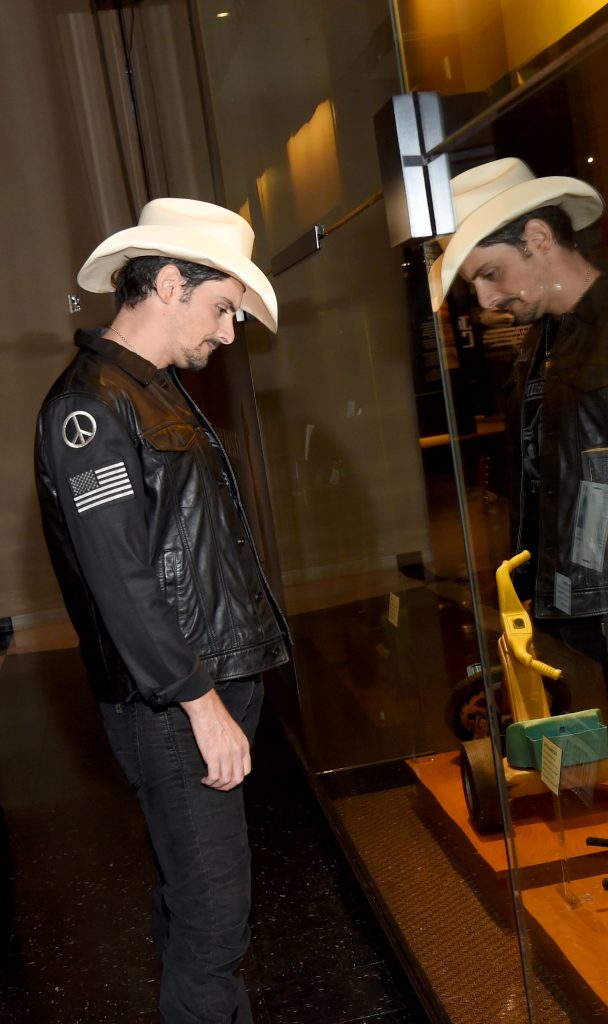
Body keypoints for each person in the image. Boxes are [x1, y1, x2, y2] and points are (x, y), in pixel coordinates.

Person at [34, 198, 290, 1023]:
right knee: (216, 923)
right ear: (171, 282)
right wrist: (198, 702)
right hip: (175, 703)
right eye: (223, 308)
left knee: (195, 905)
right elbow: (122, 582)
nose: (227, 332)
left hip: (204, 690)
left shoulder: (154, 391)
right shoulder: (89, 408)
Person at [429, 157, 608, 846]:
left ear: (538, 239)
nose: (489, 299)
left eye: (491, 274)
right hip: (588, 599)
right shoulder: (548, 343)